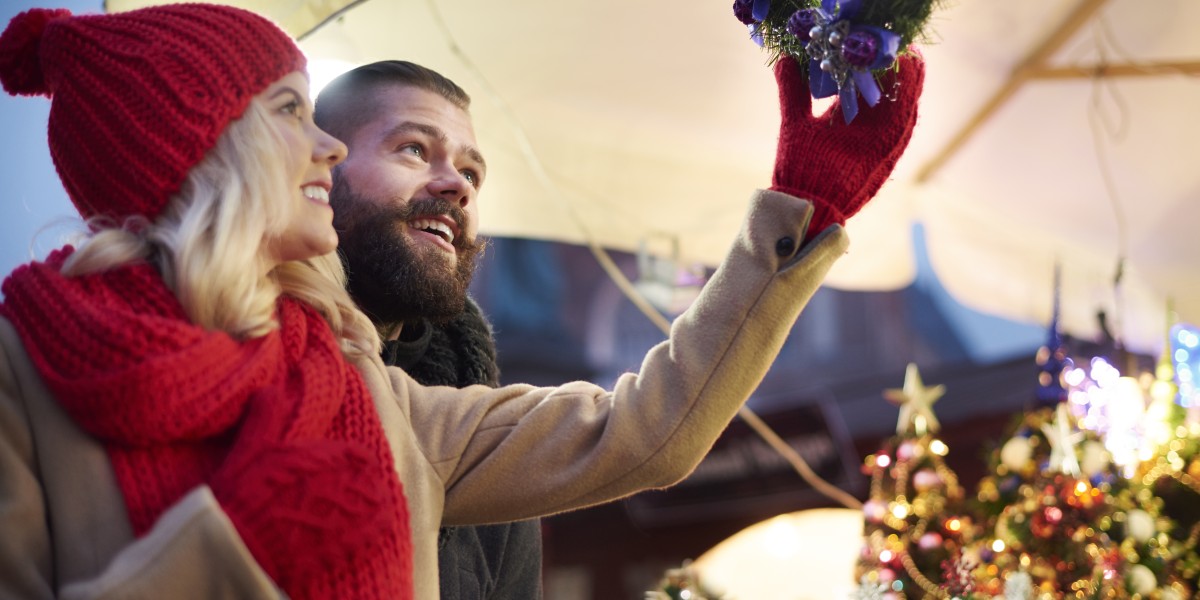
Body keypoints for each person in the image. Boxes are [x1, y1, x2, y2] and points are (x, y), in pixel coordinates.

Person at [0, 4, 922, 599]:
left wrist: (804, 208)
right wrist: (240, 548)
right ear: (204, 143)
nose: (459, 187)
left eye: (472, 168)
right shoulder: (21, 369)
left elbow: (641, 430)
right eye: (292, 115)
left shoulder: (366, 387)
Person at [315, 62, 542, 599]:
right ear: (320, 169)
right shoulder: (230, 357)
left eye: (471, 174)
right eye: (415, 149)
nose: (457, 187)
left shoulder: (486, 439)